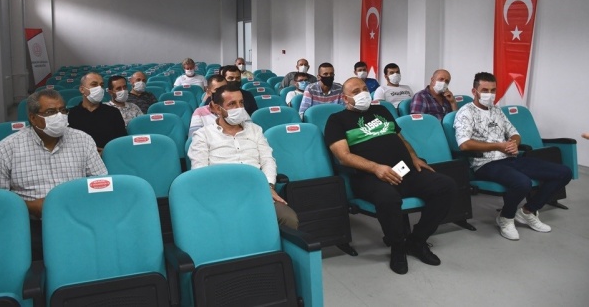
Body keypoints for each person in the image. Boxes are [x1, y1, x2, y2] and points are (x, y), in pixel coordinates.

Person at [325, 77, 457, 274]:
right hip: (369, 177)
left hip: (404, 170)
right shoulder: (336, 120)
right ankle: (398, 247)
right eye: (356, 92)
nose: (363, 93)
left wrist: (414, 157)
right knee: (389, 199)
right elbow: (343, 157)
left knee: (446, 186)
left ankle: (417, 240)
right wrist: (376, 168)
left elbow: (400, 139)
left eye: (364, 89)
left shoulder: (381, 111)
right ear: (345, 98)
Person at [0, 89, 107, 260]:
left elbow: (101, 182)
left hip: (78, 218)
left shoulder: (83, 140)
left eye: (63, 110)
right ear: (33, 117)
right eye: (50, 112)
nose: (59, 116)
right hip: (30, 225)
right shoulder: (5, 149)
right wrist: (28, 206)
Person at [454, 72, 572, 241]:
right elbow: (464, 144)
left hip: (509, 158)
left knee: (563, 173)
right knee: (522, 182)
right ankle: (506, 217)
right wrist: (498, 146)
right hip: (485, 163)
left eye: (493, 90)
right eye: (485, 90)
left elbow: (515, 133)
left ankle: (527, 211)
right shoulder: (465, 112)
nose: (490, 94)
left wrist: (513, 143)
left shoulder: (496, 110)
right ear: (474, 91)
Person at [188, 86, 298, 229]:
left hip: (257, 190)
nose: (239, 108)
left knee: (288, 218)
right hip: (222, 194)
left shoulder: (255, 130)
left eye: (241, 103)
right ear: (217, 108)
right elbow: (200, 172)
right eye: (232, 104)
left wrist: (268, 186)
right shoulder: (203, 135)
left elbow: (267, 160)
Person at [68, 72, 127, 153]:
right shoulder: (71, 114)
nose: (99, 88)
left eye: (101, 85)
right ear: (82, 89)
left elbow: (121, 141)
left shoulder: (113, 113)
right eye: (94, 84)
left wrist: (106, 152)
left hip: (108, 156)